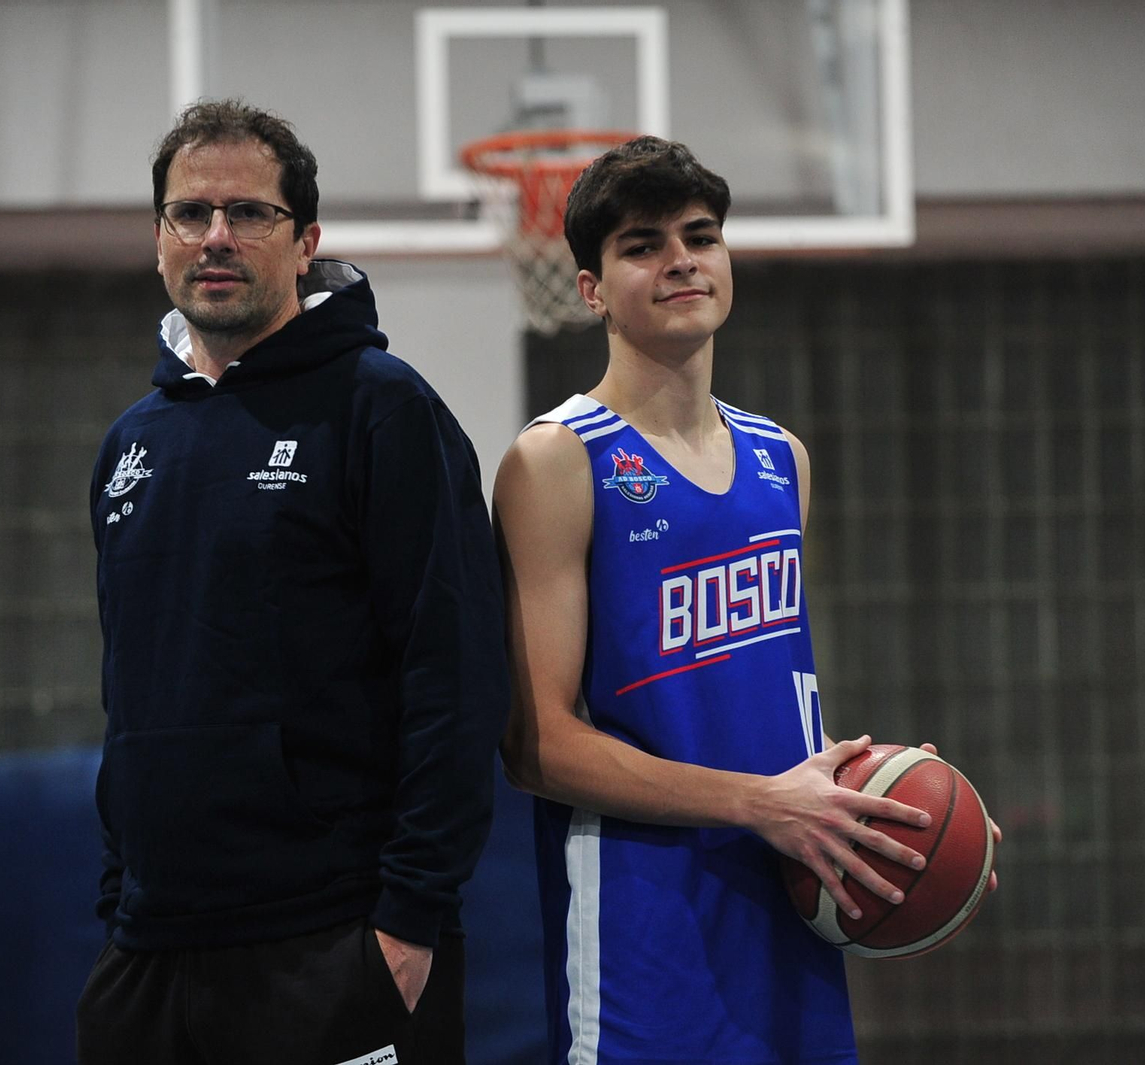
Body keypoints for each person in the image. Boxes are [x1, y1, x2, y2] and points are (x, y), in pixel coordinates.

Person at [495, 136, 999, 1063]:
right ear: (592, 289)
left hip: (787, 896)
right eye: (643, 244)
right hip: (643, 920)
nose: (682, 258)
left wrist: (891, 802)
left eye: (701, 235)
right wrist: (761, 805)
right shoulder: (557, 460)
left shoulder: (781, 458)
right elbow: (538, 744)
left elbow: (763, 701)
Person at [77, 99, 508, 1065]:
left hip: (337, 944)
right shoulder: (129, 446)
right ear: (159, 241)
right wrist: (120, 903)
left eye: (249, 212)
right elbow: (129, 693)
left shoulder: (384, 411)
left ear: (306, 241)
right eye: (191, 213)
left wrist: (407, 924)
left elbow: (457, 674)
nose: (216, 236)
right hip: (148, 955)